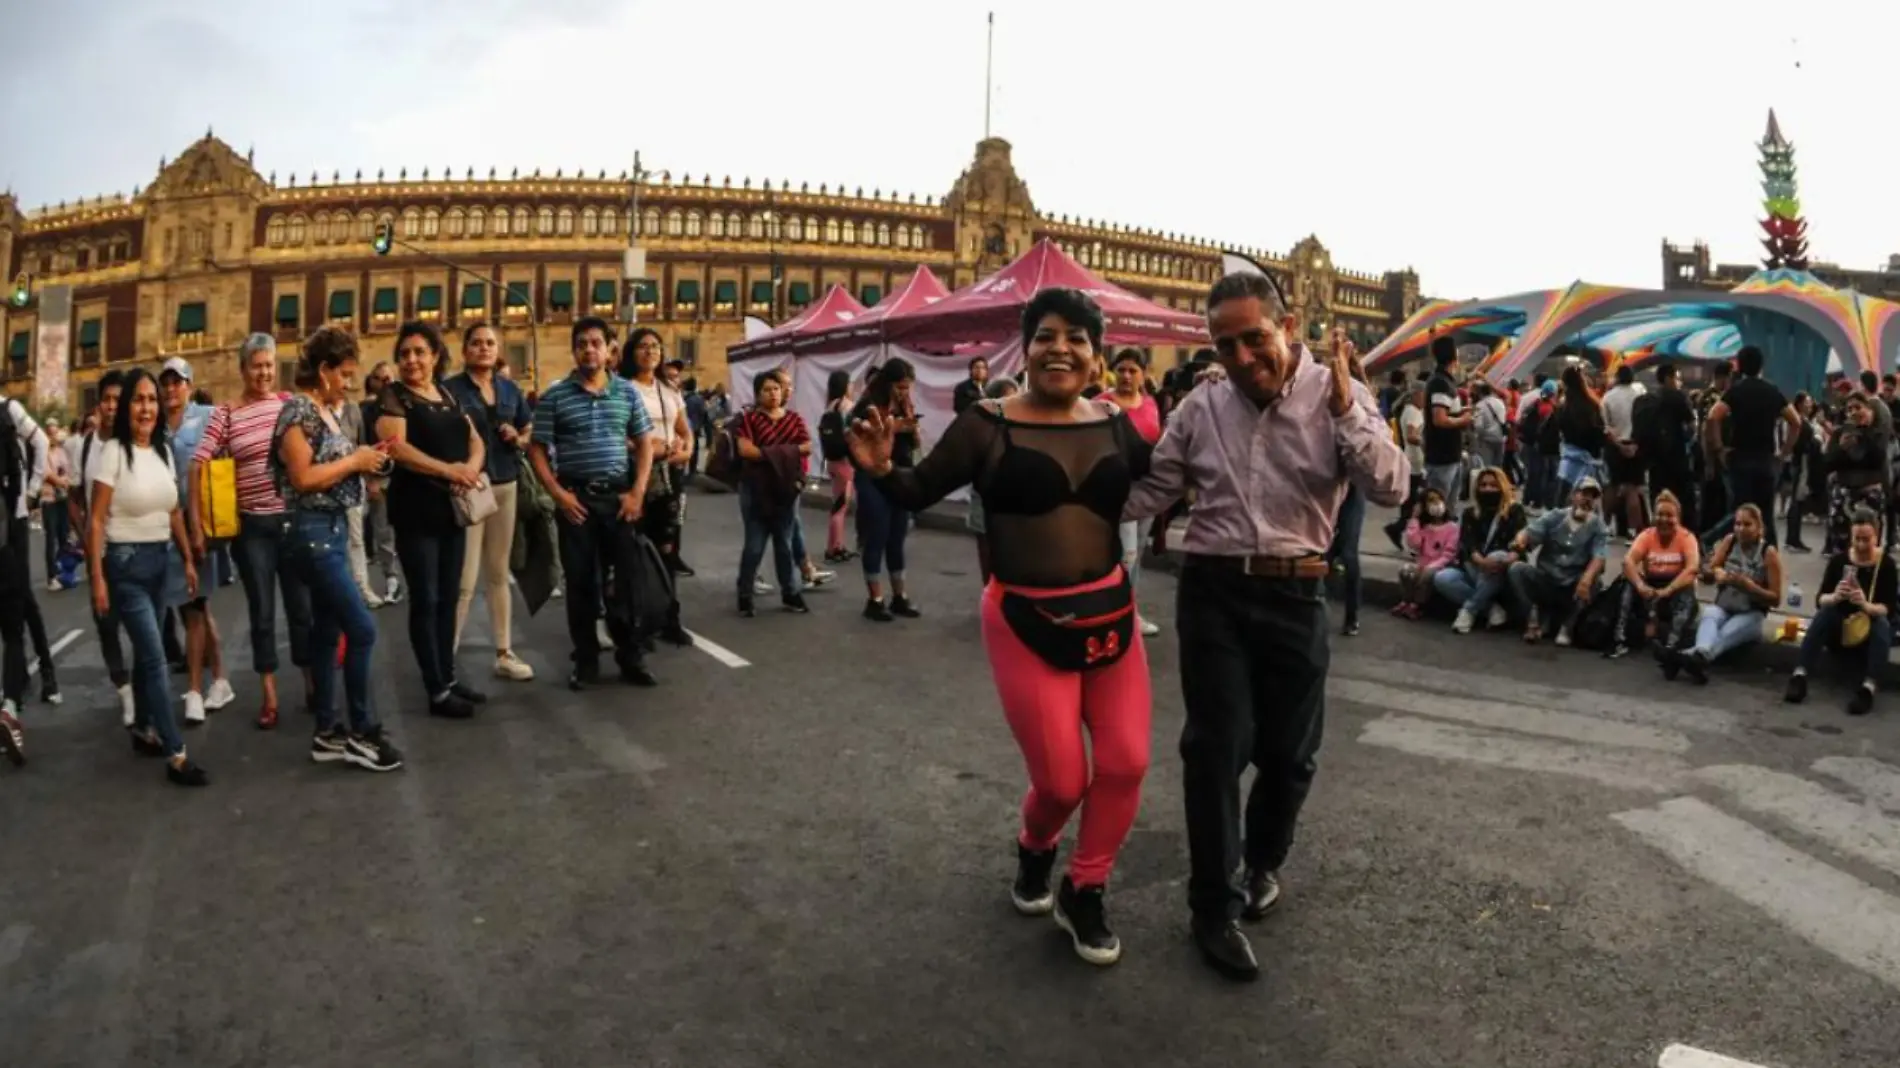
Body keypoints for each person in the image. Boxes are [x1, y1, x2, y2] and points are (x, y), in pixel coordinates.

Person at [849, 287, 1155, 967]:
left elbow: (1171, 481)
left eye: (1078, 337)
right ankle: (1036, 846)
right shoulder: (987, 424)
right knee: (1061, 783)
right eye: (1046, 335)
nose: (1061, 348)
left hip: (1111, 612)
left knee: (1129, 761)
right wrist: (878, 470)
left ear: (1096, 356)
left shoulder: (1113, 423)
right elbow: (917, 490)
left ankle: (1087, 886)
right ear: (1025, 347)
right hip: (1024, 616)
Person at [1124, 271, 1408, 981]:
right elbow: (1151, 490)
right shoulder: (1200, 407)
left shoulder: (1337, 394)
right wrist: (1040, 489)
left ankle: (1262, 863)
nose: (1244, 357)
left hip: (1297, 592)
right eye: (1227, 345)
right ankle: (1211, 908)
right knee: (1214, 747)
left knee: (1290, 753)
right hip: (1214, 587)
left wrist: (1347, 410)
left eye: (1256, 338)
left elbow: (1392, 487)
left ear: (1289, 327)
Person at [273, 327, 404, 771]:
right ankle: (362, 732)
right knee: (362, 630)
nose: (349, 383)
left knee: (329, 633)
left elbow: (331, 470)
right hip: (310, 532)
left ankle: (327, 731)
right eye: (344, 374)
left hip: (327, 528)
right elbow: (303, 477)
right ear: (325, 370)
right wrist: (354, 460)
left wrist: (367, 460)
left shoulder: (325, 412)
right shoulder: (298, 412)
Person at [86, 369, 206, 786]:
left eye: (152, 399)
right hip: (125, 568)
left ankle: (141, 729)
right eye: (138, 400)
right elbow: (97, 521)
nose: (146, 407)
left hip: (160, 563)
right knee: (156, 659)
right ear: (126, 407)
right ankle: (176, 752)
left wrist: (188, 559)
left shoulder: (163, 452)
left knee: (147, 654)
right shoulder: (114, 451)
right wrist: (97, 578)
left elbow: (173, 509)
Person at [527, 316, 658, 690]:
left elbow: (645, 443)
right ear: (574, 350)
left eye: (595, 343)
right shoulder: (555, 396)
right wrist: (558, 493)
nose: (589, 349)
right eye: (581, 343)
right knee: (582, 584)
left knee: (626, 582)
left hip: (619, 499)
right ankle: (585, 662)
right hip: (577, 501)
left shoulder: (627, 393)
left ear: (609, 349)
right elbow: (536, 447)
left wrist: (637, 492)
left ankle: (630, 656)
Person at [193, 334, 313, 729]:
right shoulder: (226, 414)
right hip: (252, 529)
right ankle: (270, 694)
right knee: (262, 613)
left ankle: (312, 683)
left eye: (269, 364)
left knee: (301, 609)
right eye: (256, 365)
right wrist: (197, 521)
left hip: (292, 521)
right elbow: (198, 462)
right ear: (243, 369)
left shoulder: (288, 405)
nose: (263, 372)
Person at [375, 321, 488, 719]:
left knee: (448, 598)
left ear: (435, 356)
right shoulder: (393, 397)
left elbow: (475, 439)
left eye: (419, 352)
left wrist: (470, 470)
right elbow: (398, 449)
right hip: (415, 512)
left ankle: (449, 675)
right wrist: (449, 471)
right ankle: (436, 689)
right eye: (404, 353)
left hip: (451, 512)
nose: (411, 360)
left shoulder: (447, 394)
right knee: (426, 599)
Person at [442, 322, 536, 682]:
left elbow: (529, 430)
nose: (484, 348)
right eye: (477, 343)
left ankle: (503, 652)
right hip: (470, 487)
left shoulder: (510, 389)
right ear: (465, 350)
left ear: (498, 351)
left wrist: (520, 436)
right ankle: (446, 656)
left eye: (490, 343)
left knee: (498, 573)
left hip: (505, 482)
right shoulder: (450, 390)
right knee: (464, 577)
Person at [158, 357, 236, 726]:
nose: (171, 388)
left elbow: (226, 451)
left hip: (198, 529)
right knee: (197, 608)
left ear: (189, 385)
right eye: (166, 382)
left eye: (178, 381)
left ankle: (193, 690)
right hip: (168, 529)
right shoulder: (157, 426)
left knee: (193, 606)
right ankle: (220, 680)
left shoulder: (206, 416)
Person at [1785, 507, 1894, 716]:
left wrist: (1865, 605)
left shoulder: (1886, 565)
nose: (1861, 545)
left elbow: (1888, 609)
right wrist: (1835, 596)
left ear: (1877, 536)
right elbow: (1820, 599)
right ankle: (1799, 675)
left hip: (1866, 629)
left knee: (1881, 624)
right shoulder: (1839, 561)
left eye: (1866, 539)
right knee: (1824, 614)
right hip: (1840, 628)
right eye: (1857, 539)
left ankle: (1868, 688)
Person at [71, 371, 134, 723]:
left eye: (117, 400)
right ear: (98, 405)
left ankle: (144, 690)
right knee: (106, 623)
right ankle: (123, 688)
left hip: (135, 548)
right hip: (102, 551)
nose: (112, 407)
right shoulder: (85, 447)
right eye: (107, 400)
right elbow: (74, 495)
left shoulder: (135, 442)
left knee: (144, 625)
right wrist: (84, 536)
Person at [1674, 502, 1781, 683]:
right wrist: (1713, 572)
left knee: (1725, 634)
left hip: (1751, 614)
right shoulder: (1730, 541)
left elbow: (1776, 599)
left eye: (1747, 525)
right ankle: (1696, 660)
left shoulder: (1768, 553)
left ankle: (1678, 658)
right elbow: (1710, 571)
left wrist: (1748, 586)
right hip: (1724, 606)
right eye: (1738, 524)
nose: (1741, 529)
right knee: (1709, 613)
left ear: (1759, 527)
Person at [734, 371, 811, 616]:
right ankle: (745, 593)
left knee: (785, 545)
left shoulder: (794, 419)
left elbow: (807, 446)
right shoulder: (749, 419)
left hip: (786, 490)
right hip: (756, 490)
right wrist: (787, 453)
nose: (773, 394)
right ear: (758, 394)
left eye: (776, 389)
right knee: (754, 545)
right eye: (767, 390)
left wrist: (767, 453)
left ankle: (790, 592)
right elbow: (746, 450)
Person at [851, 359, 921, 622]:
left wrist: (912, 430)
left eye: (907, 387)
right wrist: (892, 426)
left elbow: (910, 444)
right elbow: (856, 437)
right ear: (888, 383)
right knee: (877, 535)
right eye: (900, 387)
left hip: (898, 473)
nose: (904, 392)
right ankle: (875, 599)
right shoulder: (867, 405)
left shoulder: (905, 405)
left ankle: (899, 596)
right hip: (872, 476)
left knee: (897, 537)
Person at [1104, 349, 1164, 637]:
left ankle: (1129, 609)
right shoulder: (1101, 403)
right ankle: (1119, 613)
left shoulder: (1151, 403)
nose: (1126, 376)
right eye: (1122, 370)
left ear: (1143, 373)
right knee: (1124, 554)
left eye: (1133, 370)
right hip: (1115, 490)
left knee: (1136, 553)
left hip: (1147, 489)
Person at [1507, 478, 1609, 645]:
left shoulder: (1598, 527)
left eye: (1593, 496)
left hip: (1572, 585)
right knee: (1516, 570)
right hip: (1546, 579)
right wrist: (1521, 541)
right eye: (1584, 493)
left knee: (1594, 582)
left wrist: (1587, 578)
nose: (1587, 499)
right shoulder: (1556, 516)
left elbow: (1599, 556)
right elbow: (1529, 532)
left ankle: (1567, 626)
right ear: (1573, 495)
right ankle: (1532, 617)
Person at [1608, 489, 1699, 662]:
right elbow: (1628, 562)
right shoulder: (1647, 535)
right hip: (1650, 590)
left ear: (1677, 518)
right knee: (1626, 583)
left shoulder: (1687, 538)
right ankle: (1619, 639)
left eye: (1669, 515)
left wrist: (1668, 590)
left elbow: (1692, 569)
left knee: (1686, 591)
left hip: (1675, 590)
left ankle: (1671, 647)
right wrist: (1641, 586)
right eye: (1660, 514)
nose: (1664, 520)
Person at [816, 369, 859, 564]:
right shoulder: (848, 407)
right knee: (841, 506)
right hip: (845, 462)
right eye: (850, 383)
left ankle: (835, 544)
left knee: (837, 503)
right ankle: (835, 547)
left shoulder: (829, 407)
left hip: (832, 461)